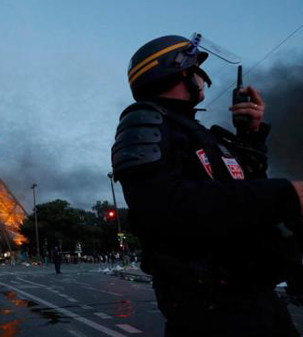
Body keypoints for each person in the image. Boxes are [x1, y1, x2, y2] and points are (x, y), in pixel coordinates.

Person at [112, 34, 303, 336]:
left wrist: (251, 136)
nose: (204, 80)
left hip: (252, 297)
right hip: (213, 310)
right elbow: (163, 206)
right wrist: (287, 193)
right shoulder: (144, 123)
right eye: (200, 72)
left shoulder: (200, 134)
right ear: (182, 72)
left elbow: (243, 195)